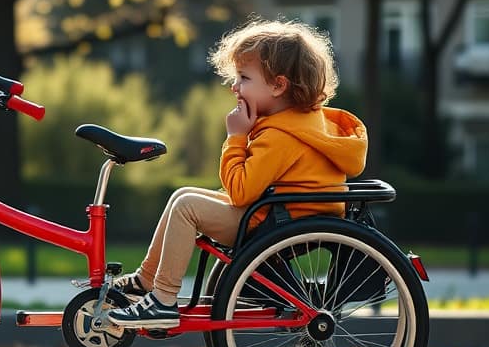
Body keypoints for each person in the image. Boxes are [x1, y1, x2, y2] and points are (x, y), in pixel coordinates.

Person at [107, 18, 368, 329]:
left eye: (244, 78)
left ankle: (163, 299)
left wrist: (236, 138)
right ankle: (147, 280)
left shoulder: (281, 135)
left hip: (273, 223)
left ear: (278, 85)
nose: (234, 86)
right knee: (183, 195)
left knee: (185, 207)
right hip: (287, 214)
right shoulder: (307, 122)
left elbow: (241, 192)